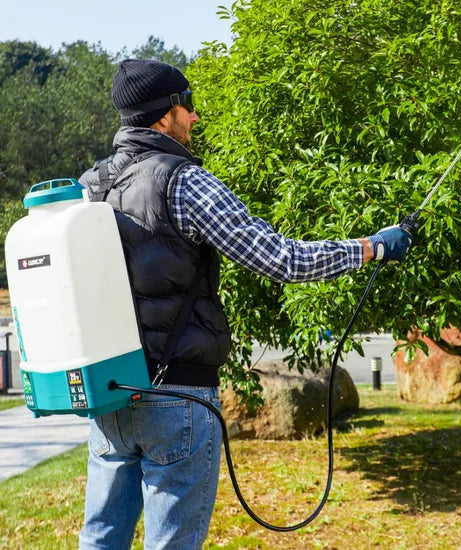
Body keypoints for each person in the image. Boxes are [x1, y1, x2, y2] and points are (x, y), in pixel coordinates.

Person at [78, 58, 411, 550]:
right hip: (179, 396)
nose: (195, 116)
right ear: (165, 115)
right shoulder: (183, 181)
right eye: (188, 105)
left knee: (101, 538)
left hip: (111, 396)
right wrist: (371, 247)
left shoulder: (90, 186)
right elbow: (281, 259)